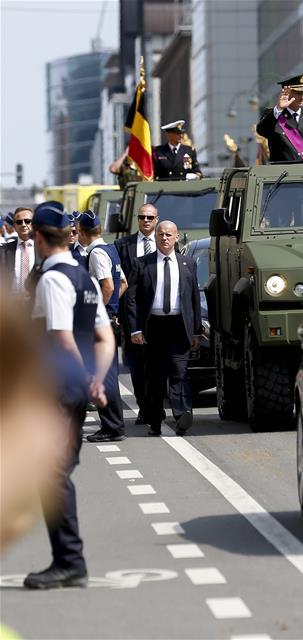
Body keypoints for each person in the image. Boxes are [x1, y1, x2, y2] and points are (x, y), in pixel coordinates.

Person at [25, 201, 116, 590]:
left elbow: (61, 338)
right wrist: (96, 379)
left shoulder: (52, 280)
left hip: (58, 390)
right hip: (75, 390)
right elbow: (105, 337)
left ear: (41, 239)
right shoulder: (84, 277)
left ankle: (69, 561)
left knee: (52, 475)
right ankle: (68, 559)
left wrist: (83, 379)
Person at [126, 221, 202, 437]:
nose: (164, 238)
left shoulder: (187, 263)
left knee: (178, 373)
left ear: (177, 237)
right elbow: (131, 300)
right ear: (156, 238)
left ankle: (181, 415)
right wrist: (135, 329)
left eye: (169, 234)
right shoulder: (142, 264)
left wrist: (196, 331)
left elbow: (194, 299)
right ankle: (155, 420)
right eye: (160, 235)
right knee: (154, 377)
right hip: (153, 328)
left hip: (179, 326)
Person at [75, 211, 128, 443]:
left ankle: (113, 427)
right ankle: (113, 425)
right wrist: (113, 307)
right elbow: (122, 284)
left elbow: (107, 286)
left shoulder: (96, 253)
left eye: (78, 232)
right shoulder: (110, 250)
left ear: (85, 233)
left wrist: (98, 311)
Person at [114, 203, 158, 424]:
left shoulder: (165, 243)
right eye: (142, 217)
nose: (146, 220)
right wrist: (116, 312)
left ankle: (156, 407)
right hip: (132, 315)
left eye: (150, 217)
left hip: (160, 314)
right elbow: (117, 281)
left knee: (157, 364)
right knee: (137, 366)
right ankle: (144, 407)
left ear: (156, 219)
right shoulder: (123, 245)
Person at [256, 74, 303, 163]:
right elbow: (261, 130)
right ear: (286, 93)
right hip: (283, 174)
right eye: (297, 93)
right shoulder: (274, 115)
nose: (302, 97)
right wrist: (279, 109)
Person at [0, 207, 35, 294]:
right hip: (13, 304)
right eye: (19, 222)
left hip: (36, 303)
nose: (23, 224)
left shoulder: (43, 249)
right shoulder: (4, 251)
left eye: (27, 221)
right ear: (14, 226)